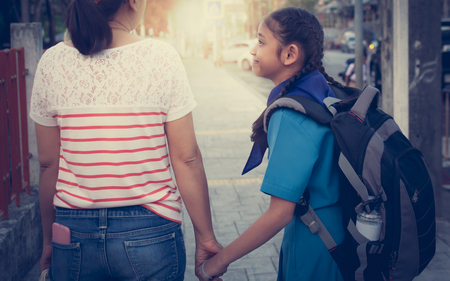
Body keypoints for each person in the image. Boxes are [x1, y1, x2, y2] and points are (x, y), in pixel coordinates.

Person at [30, 0, 222, 280]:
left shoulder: (51, 62)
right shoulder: (161, 56)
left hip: (73, 233)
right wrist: (205, 238)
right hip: (150, 231)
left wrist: (48, 242)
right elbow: (187, 159)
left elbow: (48, 166)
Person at [198, 7, 347, 281]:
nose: (253, 50)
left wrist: (219, 262)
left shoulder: (291, 115)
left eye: (262, 41)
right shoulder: (320, 91)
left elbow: (279, 214)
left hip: (314, 243)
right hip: (337, 232)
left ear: (289, 54)